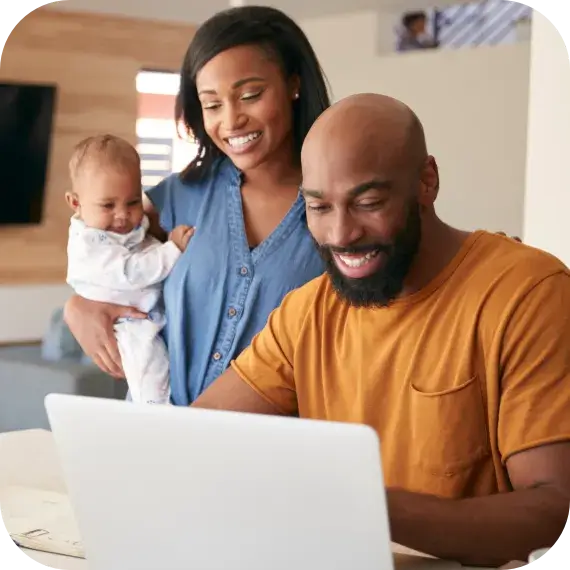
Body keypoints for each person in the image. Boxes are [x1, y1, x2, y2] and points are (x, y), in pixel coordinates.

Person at [191, 93, 570, 567]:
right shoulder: (306, 312)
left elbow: (555, 507)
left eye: (367, 203)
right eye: (319, 207)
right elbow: (193, 440)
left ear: (426, 182)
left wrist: (367, 504)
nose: (340, 234)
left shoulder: (526, 293)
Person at [63, 6, 331, 404]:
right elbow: (101, 253)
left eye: (250, 95)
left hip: (277, 451)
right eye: (211, 104)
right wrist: (77, 306)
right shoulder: (176, 197)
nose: (232, 120)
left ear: (294, 84)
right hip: (166, 440)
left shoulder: (337, 209)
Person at [65, 134, 194, 404]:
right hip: (126, 323)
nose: (122, 215)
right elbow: (132, 272)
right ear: (76, 203)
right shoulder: (89, 244)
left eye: (133, 202)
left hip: (142, 311)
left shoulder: (115, 228)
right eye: (108, 205)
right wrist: (173, 250)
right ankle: (154, 414)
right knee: (152, 371)